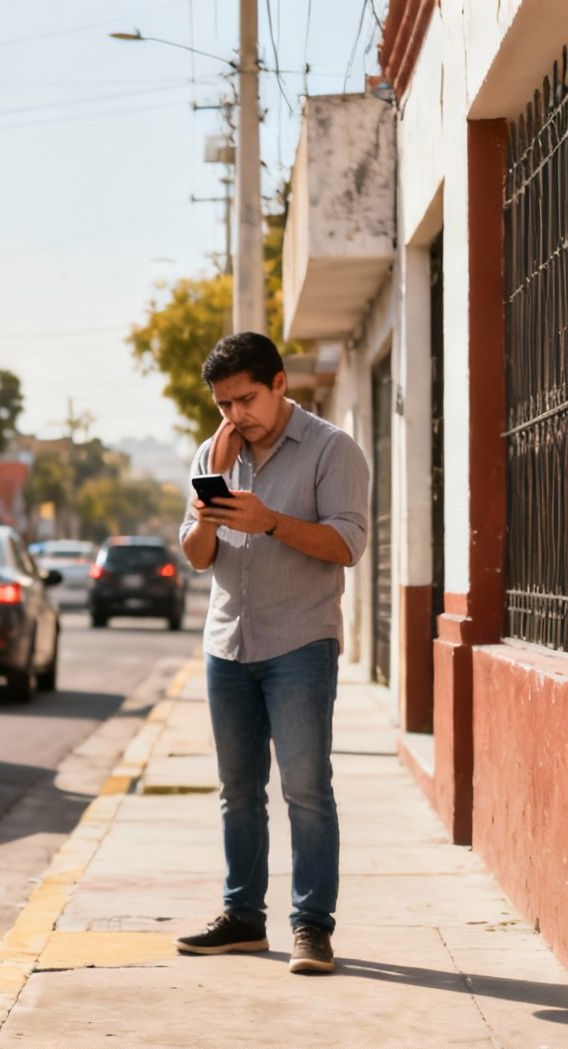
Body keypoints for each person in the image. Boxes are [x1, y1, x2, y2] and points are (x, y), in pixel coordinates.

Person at [174, 331, 370, 975]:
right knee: (237, 792)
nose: (236, 416)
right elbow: (197, 558)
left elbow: (347, 545)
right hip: (227, 642)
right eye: (224, 404)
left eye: (246, 399)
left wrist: (271, 522)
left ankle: (312, 927)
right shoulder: (214, 452)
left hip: (300, 641)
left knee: (307, 789)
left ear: (280, 383)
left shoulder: (331, 449)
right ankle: (242, 919)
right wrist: (209, 510)